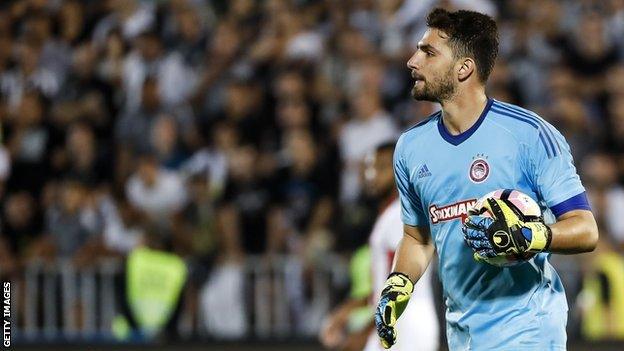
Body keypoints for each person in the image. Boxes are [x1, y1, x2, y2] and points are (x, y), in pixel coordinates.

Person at [374, 8, 599, 351]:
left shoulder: (530, 135)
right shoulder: (410, 148)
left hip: (528, 328)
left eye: (428, 52)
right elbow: (417, 238)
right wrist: (399, 283)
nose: (412, 60)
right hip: (463, 332)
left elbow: (585, 228)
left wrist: (533, 235)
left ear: (464, 69)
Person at [320, 143, 438, 351]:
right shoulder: (391, 214)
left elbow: (397, 282)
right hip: (397, 318)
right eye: (369, 167)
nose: (372, 175)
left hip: (405, 321)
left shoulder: (401, 215)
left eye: (381, 167)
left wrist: (364, 329)